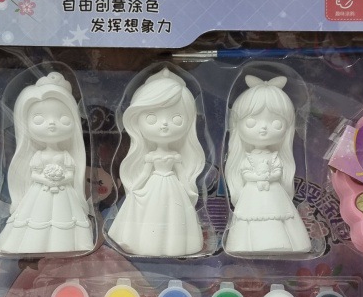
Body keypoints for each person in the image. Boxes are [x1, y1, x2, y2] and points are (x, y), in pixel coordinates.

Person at [108, 67, 205, 256]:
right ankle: (146, 245)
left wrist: (189, 191)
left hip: (173, 187)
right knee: (151, 216)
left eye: (176, 119)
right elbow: (144, 174)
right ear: (136, 120)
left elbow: (183, 176)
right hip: (153, 186)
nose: (165, 124)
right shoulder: (150, 157)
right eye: (152, 118)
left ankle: (174, 246)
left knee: (173, 217)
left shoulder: (176, 156)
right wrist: (134, 189)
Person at [0, 73, 93, 254]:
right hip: (41, 190)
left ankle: (66, 244)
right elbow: (34, 174)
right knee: (36, 217)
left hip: (63, 191)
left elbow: (70, 174)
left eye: (63, 119)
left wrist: (61, 179)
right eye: (39, 120)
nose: (52, 124)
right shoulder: (38, 155)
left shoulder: (66, 155)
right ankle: (31, 245)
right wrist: (47, 180)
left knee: (64, 217)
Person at [224, 75, 310, 254]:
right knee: (250, 216)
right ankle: (247, 244)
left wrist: (269, 177)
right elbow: (245, 173)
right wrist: (258, 178)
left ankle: (284, 242)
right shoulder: (247, 157)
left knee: (279, 214)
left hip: (273, 190)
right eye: (252, 122)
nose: (263, 128)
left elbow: (278, 171)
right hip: (253, 191)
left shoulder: (275, 156)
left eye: (276, 123)